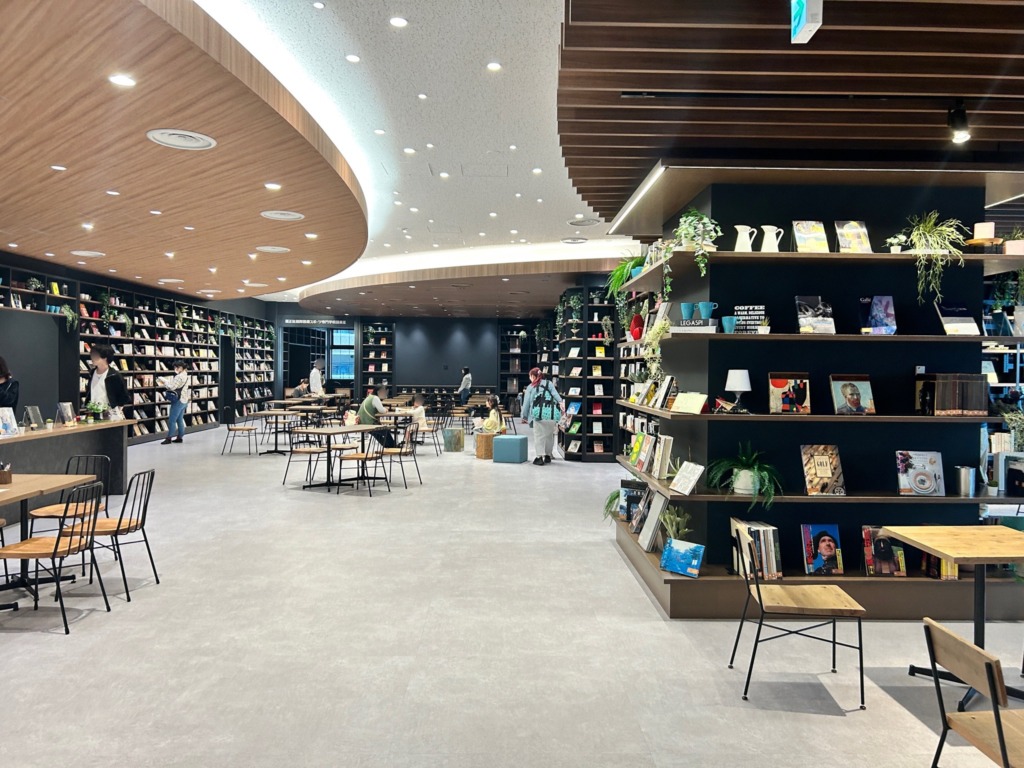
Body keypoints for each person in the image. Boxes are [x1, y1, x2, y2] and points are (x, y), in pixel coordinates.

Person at [521, 367, 565, 466]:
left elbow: (526, 403)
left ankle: (539, 457)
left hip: (538, 416)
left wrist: (524, 416)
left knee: (539, 436)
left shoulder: (530, 387)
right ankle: (548, 455)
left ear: (533, 376)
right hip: (551, 414)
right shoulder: (549, 383)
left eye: (530, 376)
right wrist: (561, 403)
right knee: (549, 435)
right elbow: (555, 395)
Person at [89, 344, 131, 418]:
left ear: (105, 358)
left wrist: (115, 409)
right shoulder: (92, 373)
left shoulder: (114, 375)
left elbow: (124, 396)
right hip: (94, 413)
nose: (92, 358)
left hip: (110, 414)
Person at [159, 359, 191, 445]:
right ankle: (180, 437)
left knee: (172, 420)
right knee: (180, 419)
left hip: (178, 401)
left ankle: (169, 438)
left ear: (180, 367)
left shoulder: (179, 377)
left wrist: (164, 382)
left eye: (176, 367)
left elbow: (172, 387)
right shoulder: (186, 375)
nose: (175, 369)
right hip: (184, 400)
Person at [357, 384, 396, 448]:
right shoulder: (375, 398)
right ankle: (393, 446)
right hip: (369, 423)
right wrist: (386, 410)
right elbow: (381, 410)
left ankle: (388, 446)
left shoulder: (369, 397)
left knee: (377, 434)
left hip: (362, 422)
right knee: (386, 431)